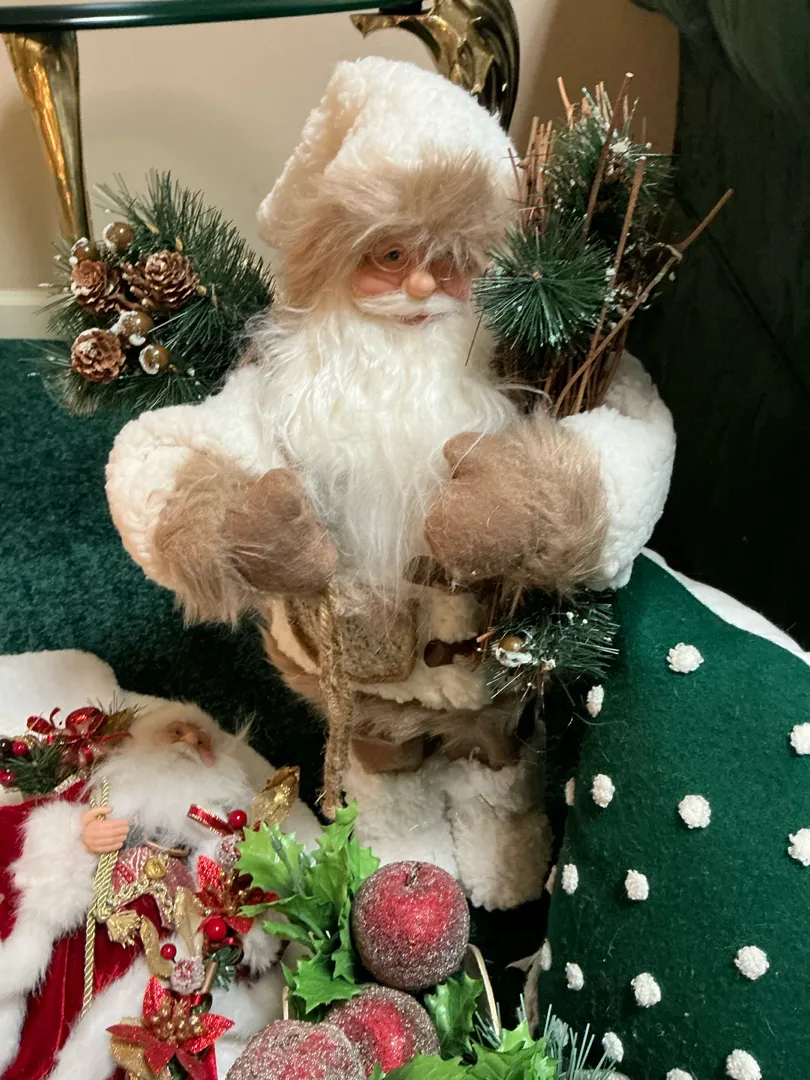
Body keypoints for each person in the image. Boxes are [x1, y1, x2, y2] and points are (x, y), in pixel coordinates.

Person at [106, 57, 674, 909]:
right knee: (381, 770)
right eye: (392, 254)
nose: (419, 285)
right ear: (335, 254)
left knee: (499, 759)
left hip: (495, 667)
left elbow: (633, 439)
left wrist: (549, 502)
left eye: (452, 261)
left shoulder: (531, 350)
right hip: (360, 671)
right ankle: (396, 844)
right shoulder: (292, 371)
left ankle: (499, 823)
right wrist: (224, 524)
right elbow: (171, 454)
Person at [0, 697, 316, 1080]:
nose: (189, 741)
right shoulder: (102, 795)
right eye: (175, 732)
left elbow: (254, 929)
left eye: (202, 742)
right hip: (81, 944)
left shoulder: (224, 837)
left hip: (156, 967)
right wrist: (77, 834)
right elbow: (15, 829)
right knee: (40, 1038)